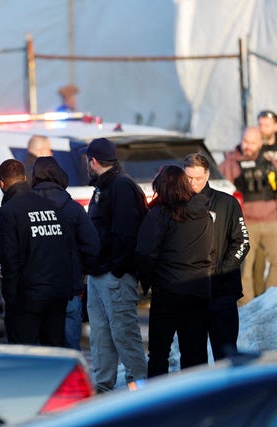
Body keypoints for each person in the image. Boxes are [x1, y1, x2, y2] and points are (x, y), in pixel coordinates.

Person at [136, 165, 214, 377]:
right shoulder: (204, 214)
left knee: (159, 352)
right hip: (198, 289)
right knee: (195, 352)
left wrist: (147, 281)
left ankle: (159, 401)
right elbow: (211, 249)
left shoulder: (160, 214)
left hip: (168, 291)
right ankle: (196, 399)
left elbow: (145, 252)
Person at [85, 137, 148, 392]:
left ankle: (141, 388)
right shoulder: (103, 185)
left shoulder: (121, 186)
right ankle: (104, 386)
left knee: (124, 333)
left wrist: (116, 267)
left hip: (114, 275)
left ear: (94, 161)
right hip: (99, 273)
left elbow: (126, 233)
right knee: (100, 336)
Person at [0, 158, 74, 347]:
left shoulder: (7, 213)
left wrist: (11, 297)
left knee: (24, 352)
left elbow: (9, 259)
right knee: (55, 350)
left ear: (2, 184)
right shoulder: (52, 208)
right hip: (57, 292)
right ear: (25, 178)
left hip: (28, 296)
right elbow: (68, 248)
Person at [183, 153, 250, 360]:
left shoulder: (226, 203)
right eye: (189, 178)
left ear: (208, 175)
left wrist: (222, 271)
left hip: (222, 293)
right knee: (193, 357)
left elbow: (242, 242)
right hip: (190, 294)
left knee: (226, 355)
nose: (194, 184)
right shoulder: (177, 204)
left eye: (199, 178)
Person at [32, 156, 100, 350]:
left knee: (40, 352)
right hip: (69, 289)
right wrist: (80, 270)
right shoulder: (73, 209)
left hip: (36, 290)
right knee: (70, 351)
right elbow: (92, 246)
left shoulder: (25, 207)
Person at [220, 127, 277, 305]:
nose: (248, 146)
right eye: (245, 141)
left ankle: (270, 302)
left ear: (261, 143)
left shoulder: (270, 161)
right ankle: (247, 308)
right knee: (244, 268)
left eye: (252, 142)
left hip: (271, 221)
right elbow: (221, 187)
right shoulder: (231, 162)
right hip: (246, 223)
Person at [254, 110, 277, 295]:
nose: (263, 128)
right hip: (258, 212)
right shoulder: (254, 147)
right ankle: (257, 302)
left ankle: (271, 298)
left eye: (267, 125)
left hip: (274, 212)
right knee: (257, 263)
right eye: (260, 124)